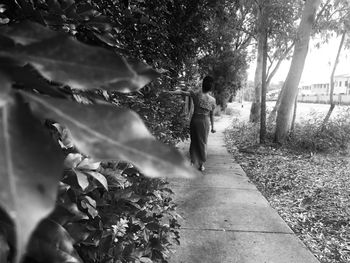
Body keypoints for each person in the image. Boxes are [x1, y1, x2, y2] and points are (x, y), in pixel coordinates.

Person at [169, 76, 216, 171]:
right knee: (203, 142)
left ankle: (192, 161)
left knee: (194, 141)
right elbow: (212, 115)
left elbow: (182, 92)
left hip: (195, 120)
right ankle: (201, 164)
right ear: (211, 87)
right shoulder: (212, 100)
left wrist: (170, 92)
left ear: (203, 85)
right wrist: (213, 127)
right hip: (205, 122)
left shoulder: (196, 94)